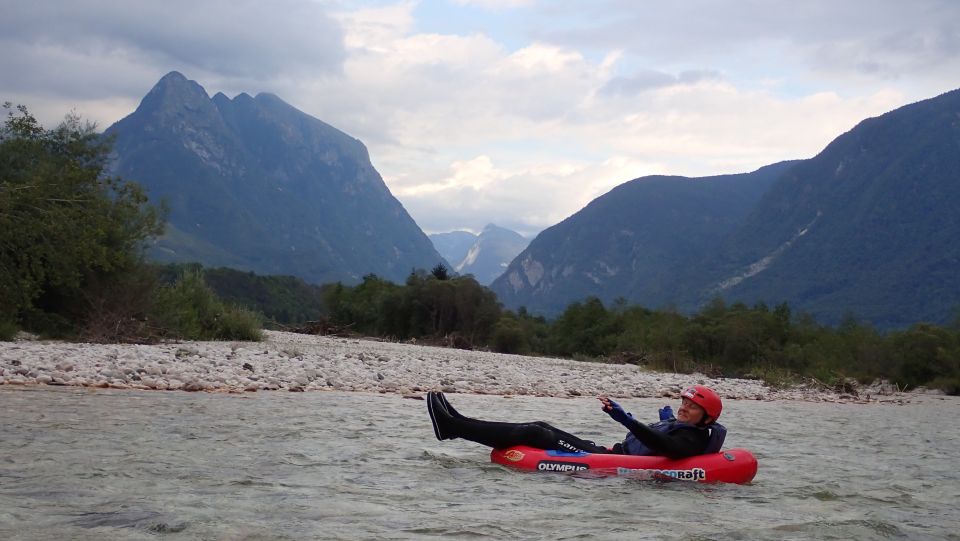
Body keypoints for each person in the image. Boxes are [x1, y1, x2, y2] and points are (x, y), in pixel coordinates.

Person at [426, 385, 725, 459]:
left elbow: (665, 446)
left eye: (692, 406)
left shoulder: (693, 439)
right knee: (540, 424)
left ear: (706, 417)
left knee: (535, 432)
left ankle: (453, 428)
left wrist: (627, 419)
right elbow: (665, 437)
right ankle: (458, 422)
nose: (684, 408)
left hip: (606, 461)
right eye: (683, 402)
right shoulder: (688, 429)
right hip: (608, 452)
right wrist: (668, 420)